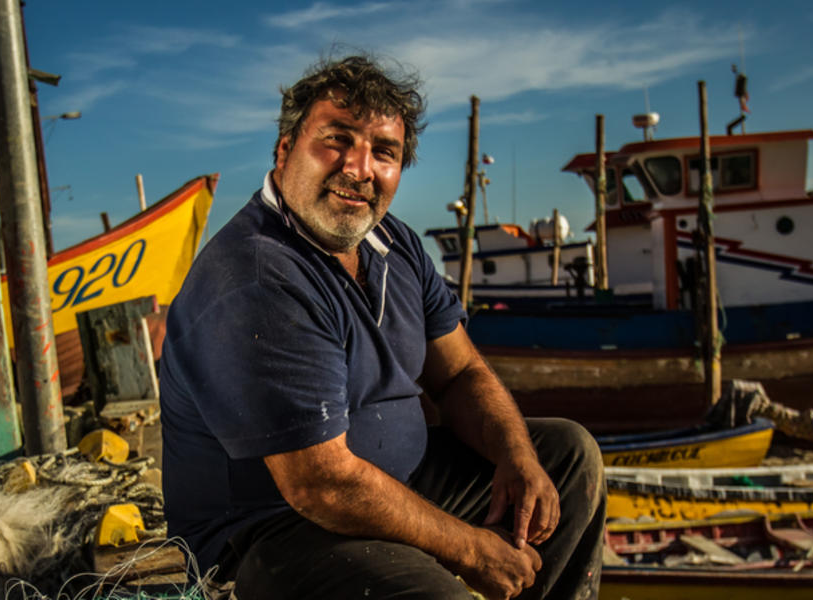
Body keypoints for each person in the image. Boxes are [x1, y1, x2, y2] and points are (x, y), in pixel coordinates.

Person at [160, 55, 605, 600]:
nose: (359, 167)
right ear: (285, 150)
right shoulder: (258, 274)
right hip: (275, 533)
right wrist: (468, 549)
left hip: (397, 486)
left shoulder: (396, 245)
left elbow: (460, 371)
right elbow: (319, 484)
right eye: (336, 140)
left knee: (565, 456)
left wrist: (518, 456)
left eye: (384, 153)